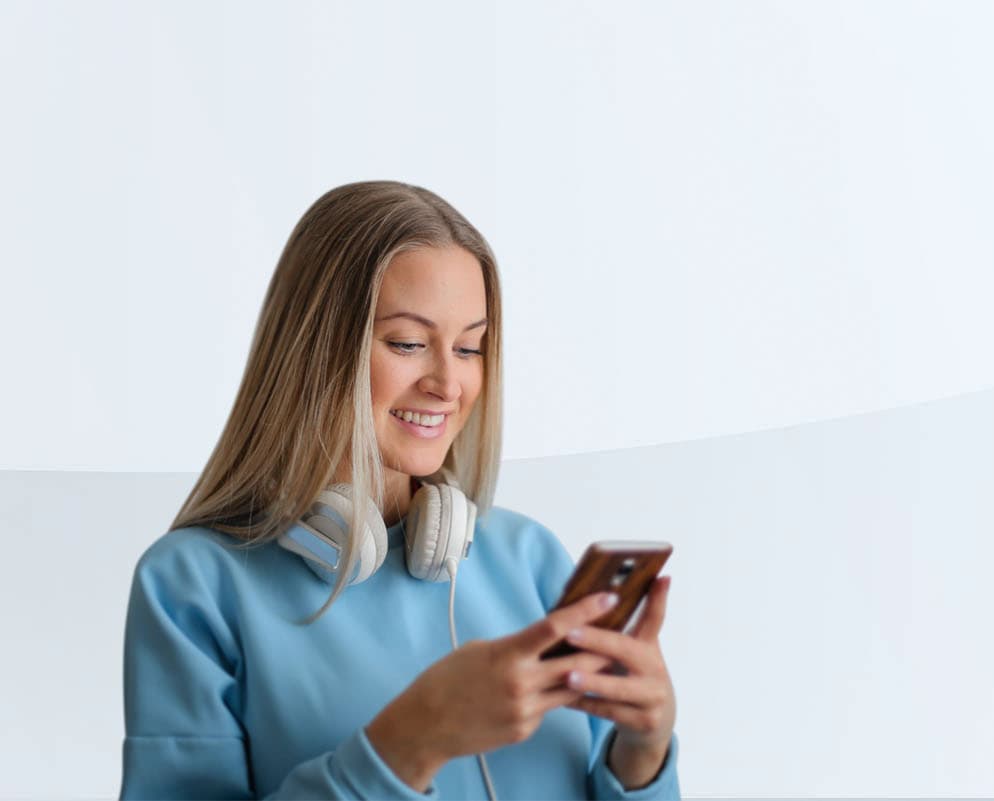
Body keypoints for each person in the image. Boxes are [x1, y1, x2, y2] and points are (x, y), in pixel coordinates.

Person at [119, 181, 681, 799]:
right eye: (409, 344)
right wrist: (412, 741)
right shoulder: (192, 586)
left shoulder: (528, 558)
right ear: (316, 350)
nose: (448, 383)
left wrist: (642, 757)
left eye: (469, 347)